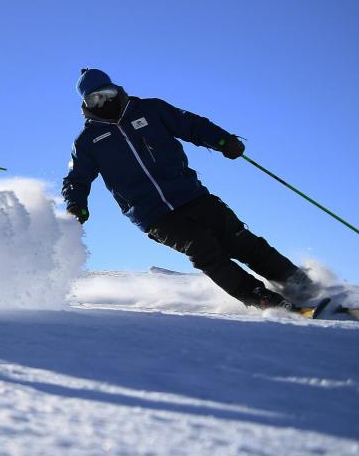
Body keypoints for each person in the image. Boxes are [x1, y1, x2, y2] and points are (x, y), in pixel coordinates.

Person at [61, 68, 318, 310]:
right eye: (94, 100)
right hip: (152, 214)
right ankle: (262, 299)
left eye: (106, 95)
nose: (103, 103)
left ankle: (302, 285)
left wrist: (222, 140)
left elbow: (191, 125)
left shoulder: (150, 110)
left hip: (191, 195)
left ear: (116, 89)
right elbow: (76, 179)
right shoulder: (88, 141)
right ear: (86, 104)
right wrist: (76, 205)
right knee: (203, 249)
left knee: (240, 240)